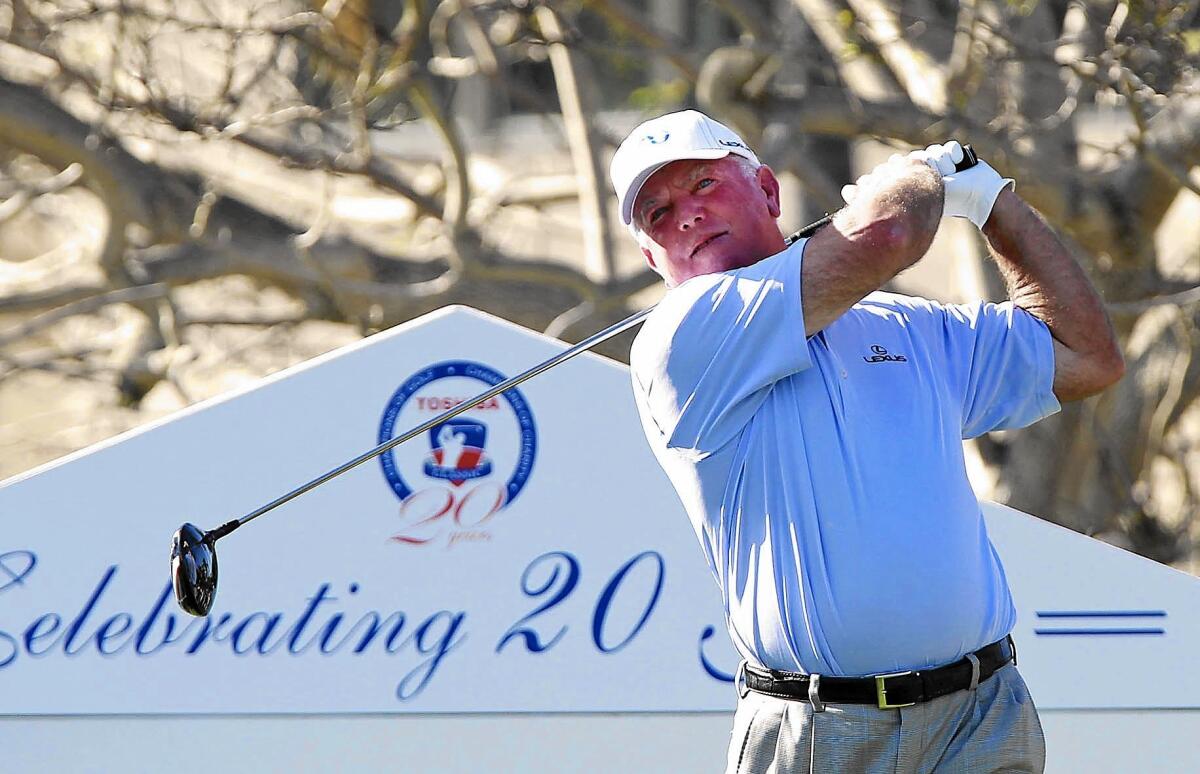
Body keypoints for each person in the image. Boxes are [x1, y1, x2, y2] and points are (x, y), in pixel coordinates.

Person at [610, 110, 1124, 773]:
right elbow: (890, 232)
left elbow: (1086, 358)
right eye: (657, 214)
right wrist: (917, 175)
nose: (683, 215)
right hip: (819, 731)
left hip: (981, 714)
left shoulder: (906, 324)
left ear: (768, 191)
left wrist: (998, 205)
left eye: (703, 185)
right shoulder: (682, 339)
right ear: (654, 257)